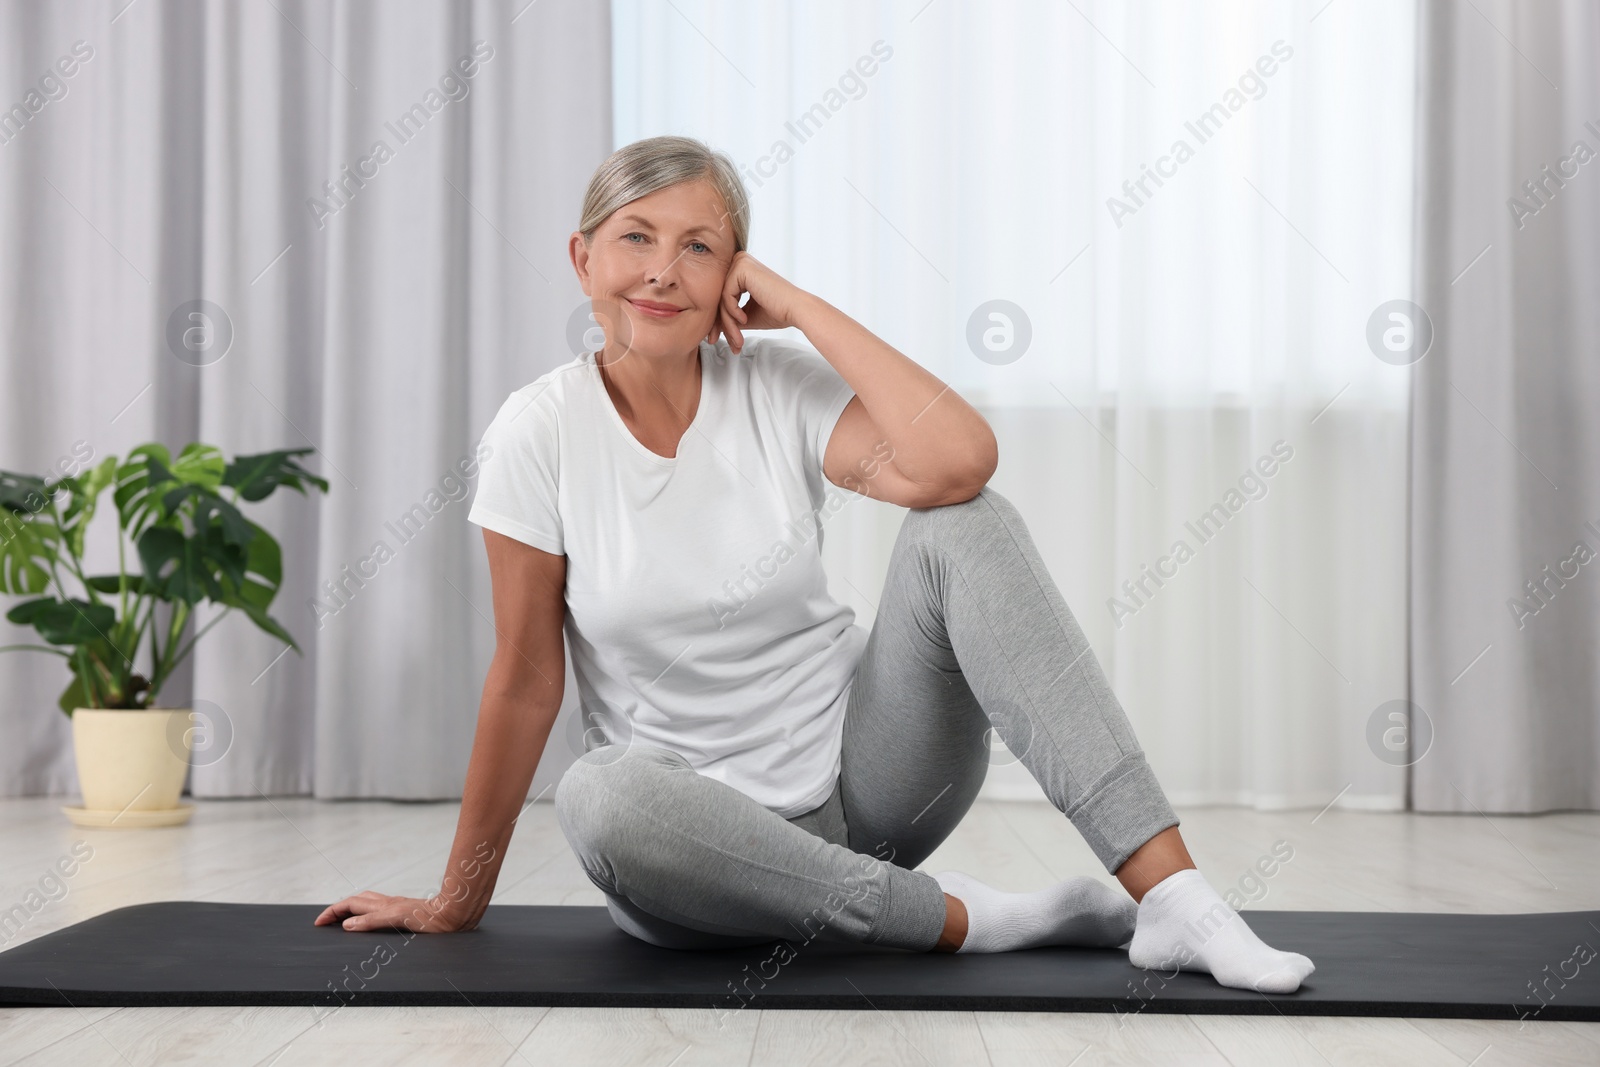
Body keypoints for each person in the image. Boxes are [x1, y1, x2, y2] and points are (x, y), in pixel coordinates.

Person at [315, 135, 1314, 994]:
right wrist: (458, 896)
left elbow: (958, 461)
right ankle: (971, 916)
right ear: (583, 259)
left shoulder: (771, 384)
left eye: (697, 247)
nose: (663, 270)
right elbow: (528, 676)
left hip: (868, 794)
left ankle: (1177, 898)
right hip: (692, 861)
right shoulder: (537, 431)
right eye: (636, 238)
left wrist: (798, 305)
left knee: (961, 523)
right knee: (597, 792)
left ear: (730, 280)